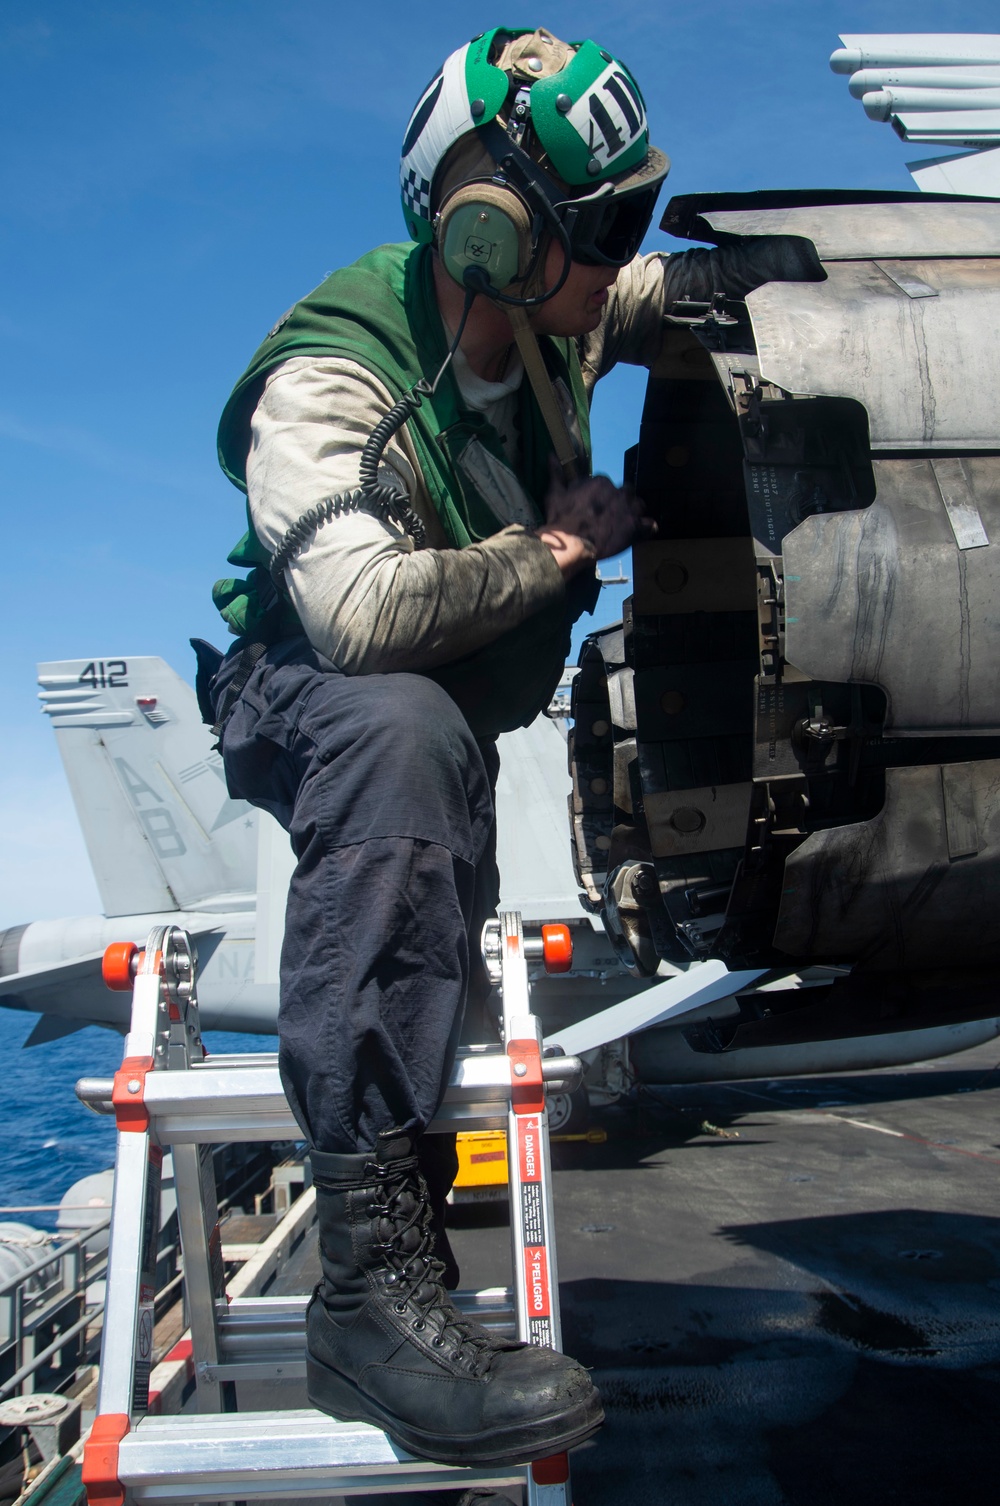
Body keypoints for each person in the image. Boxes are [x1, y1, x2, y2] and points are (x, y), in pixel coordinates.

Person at [201, 23, 823, 1474]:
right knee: (405, 731)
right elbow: (353, 619)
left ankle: (406, 1286)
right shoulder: (332, 382)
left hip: (432, 729)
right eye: (596, 225)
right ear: (488, 234)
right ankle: (363, 1300)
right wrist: (551, 551)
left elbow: (639, 299)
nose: (616, 251)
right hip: (305, 691)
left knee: (436, 832)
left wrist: (769, 284)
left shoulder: (554, 320)